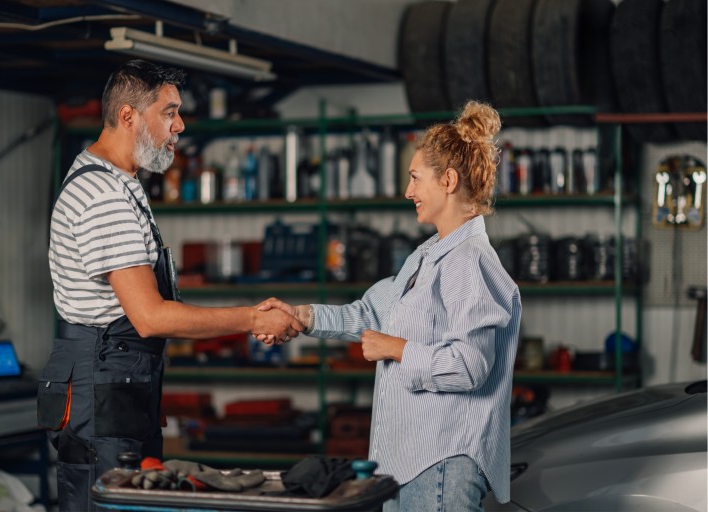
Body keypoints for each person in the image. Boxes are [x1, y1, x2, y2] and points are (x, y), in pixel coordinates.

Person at [41, 60, 304, 512]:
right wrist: (250, 318)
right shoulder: (104, 196)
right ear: (128, 117)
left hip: (120, 389)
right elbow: (150, 316)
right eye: (169, 112)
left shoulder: (121, 182)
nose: (179, 125)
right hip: (101, 394)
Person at [257, 101, 521, 511]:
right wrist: (302, 316)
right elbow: (369, 313)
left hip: (442, 466)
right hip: (409, 463)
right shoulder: (428, 256)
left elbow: (470, 365)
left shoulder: (468, 262)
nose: (408, 191)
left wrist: (394, 349)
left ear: (448, 180)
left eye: (416, 179)